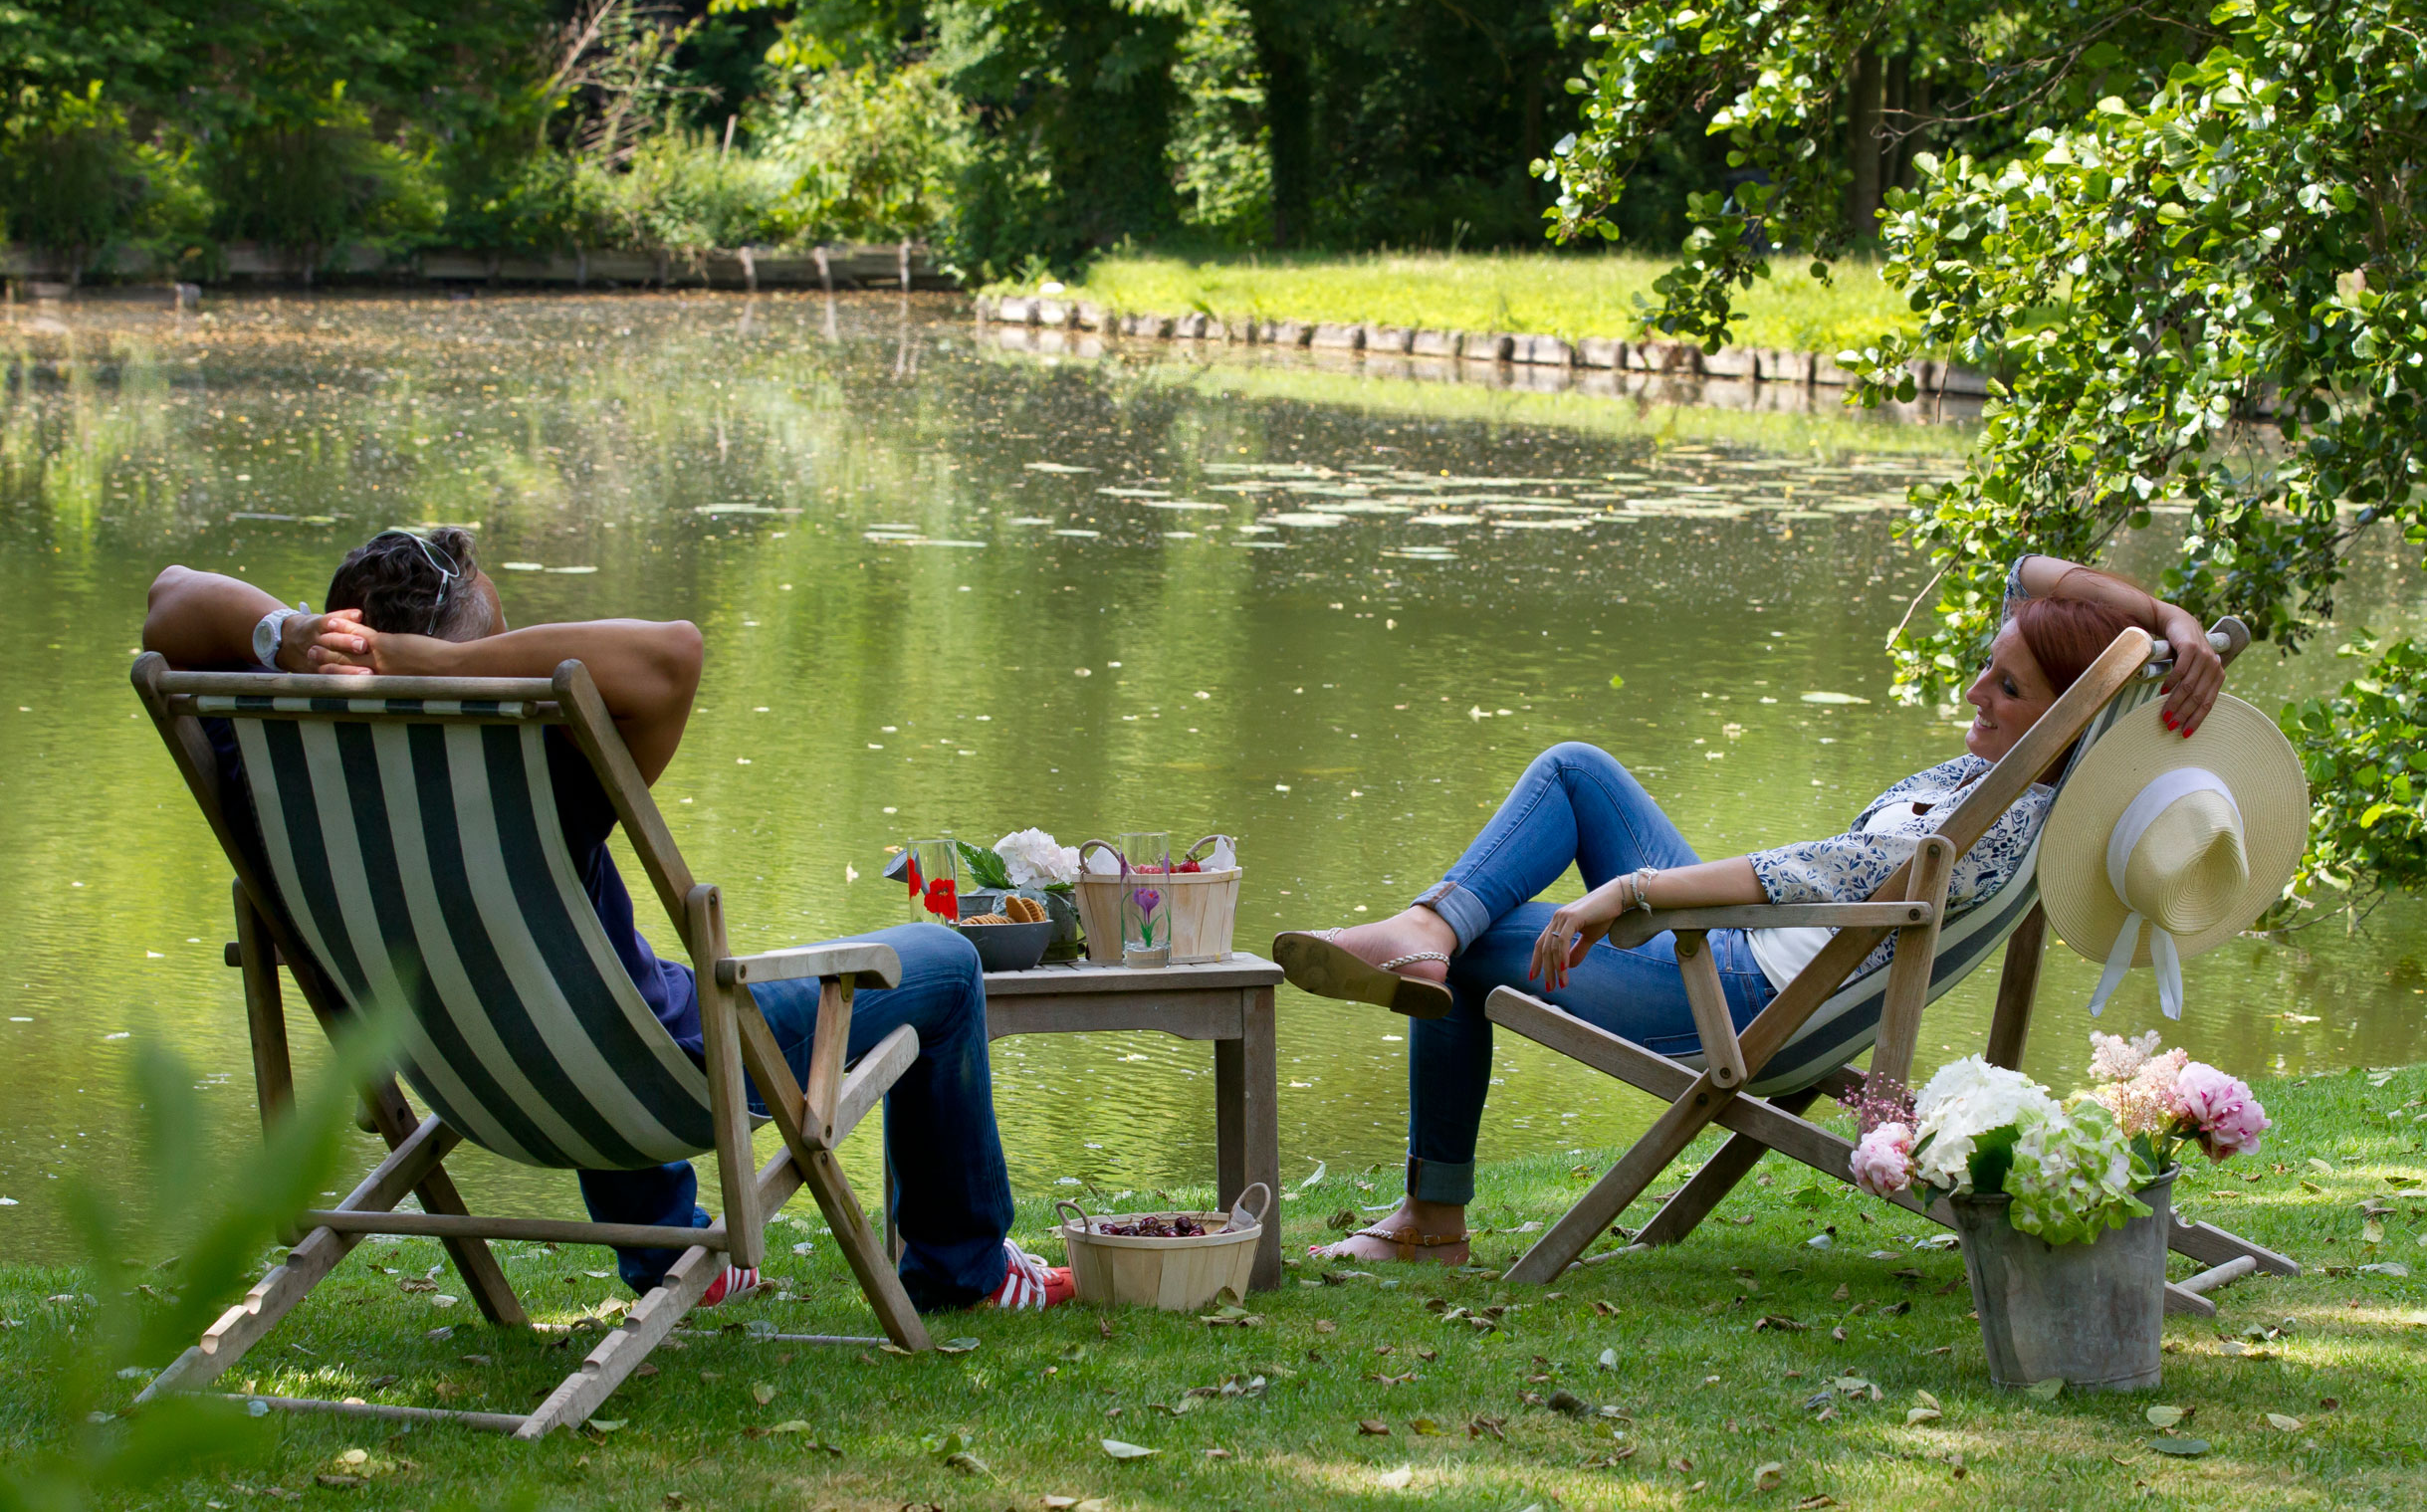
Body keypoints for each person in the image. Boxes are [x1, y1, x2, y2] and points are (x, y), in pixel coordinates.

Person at [142, 528, 1072, 1312]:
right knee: (944, 963)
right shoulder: (528, 764)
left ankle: (670, 1253)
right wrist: (457, 669)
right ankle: (965, 1271)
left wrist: (286, 634)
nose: (515, 665)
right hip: (650, 1081)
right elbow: (673, 652)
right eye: (499, 640)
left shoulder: (269, 755)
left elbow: (171, 600)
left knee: (609, 974)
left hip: (466, 1081)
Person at [1274, 554, 2226, 1264]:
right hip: (1756, 961)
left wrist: (1629, 891)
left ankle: (1432, 1207)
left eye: (2008, 686)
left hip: (1737, 1000)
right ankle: (1426, 930)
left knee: (1481, 953)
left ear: (2063, 714)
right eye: (1989, 664)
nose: (1976, 690)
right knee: (1575, 773)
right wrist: (2169, 619)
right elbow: (2031, 570)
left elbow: (1798, 873)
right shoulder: (2029, 779)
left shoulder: (1997, 831)